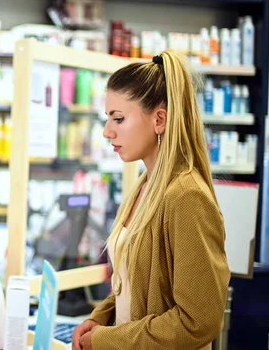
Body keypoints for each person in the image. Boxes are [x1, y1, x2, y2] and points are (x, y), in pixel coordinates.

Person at [72, 51, 231, 350]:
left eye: (118, 119)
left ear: (159, 119)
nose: (108, 131)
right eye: (108, 119)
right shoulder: (146, 185)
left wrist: (107, 340)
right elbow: (140, 285)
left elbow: (197, 321)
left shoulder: (186, 197)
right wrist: (102, 317)